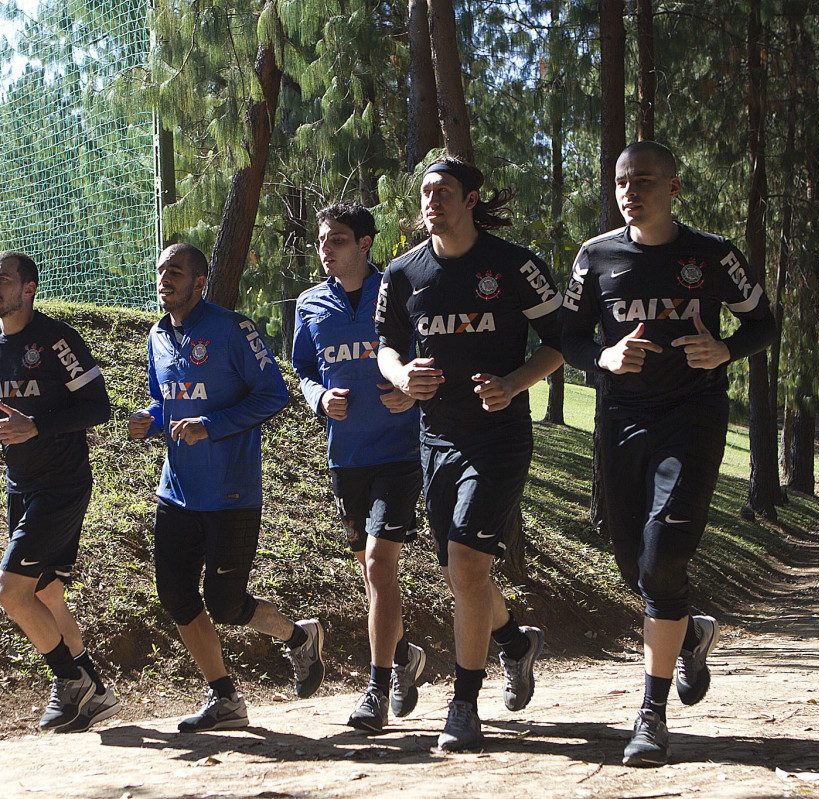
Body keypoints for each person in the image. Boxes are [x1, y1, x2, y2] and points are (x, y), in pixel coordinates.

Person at [559, 140, 777, 766]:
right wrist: (602, 356)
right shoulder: (594, 257)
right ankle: (689, 636)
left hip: (693, 418)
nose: (631, 191)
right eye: (623, 181)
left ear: (674, 188)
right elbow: (569, 338)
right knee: (633, 561)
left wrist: (728, 350)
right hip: (622, 421)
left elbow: (764, 321)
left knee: (662, 552)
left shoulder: (711, 256)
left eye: (646, 180)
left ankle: (650, 714)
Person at [375, 156, 564, 751]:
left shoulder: (513, 265)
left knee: (466, 561)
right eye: (426, 191)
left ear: (471, 198)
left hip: (498, 436)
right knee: (462, 571)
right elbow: (385, 346)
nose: (433, 200)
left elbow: (561, 341)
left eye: (445, 191)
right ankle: (515, 643)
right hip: (436, 437)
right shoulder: (404, 272)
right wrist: (404, 375)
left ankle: (463, 704)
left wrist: (514, 383)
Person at [128, 242, 324, 733]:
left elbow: (274, 394)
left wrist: (210, 425)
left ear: (200, 281)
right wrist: (148, 420)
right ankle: (225, 698)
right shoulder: (156, 335)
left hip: (232, 492)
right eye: (160, 271)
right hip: (175, 492)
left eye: (175, 271)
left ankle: (298, 638)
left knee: (226, 602)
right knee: (175, 597)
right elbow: (167, 403)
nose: (164, 279)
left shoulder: (233, 328)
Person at [0, 251, 117, 733]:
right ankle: (97, 694)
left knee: (11, 592)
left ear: (29, 289)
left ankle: (71, 681)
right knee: (45, 589)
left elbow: (98, 408)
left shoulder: (57, 339)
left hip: (61, 486)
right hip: (17, 486)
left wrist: (37, 427)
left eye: (2, 279)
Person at [292, 202, 427, 733]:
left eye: (339, 239)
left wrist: (412, 397)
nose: (327, 247)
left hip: (401, 451)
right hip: (346, 457)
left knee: (378, 564)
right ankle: (406, 656)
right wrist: (319, 397)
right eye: (323, 239)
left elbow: (428, 351)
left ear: (366, 243)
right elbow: (302, 368)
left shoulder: (397, 289)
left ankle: (377, 687)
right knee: (372, 575)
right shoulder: (309, 303)